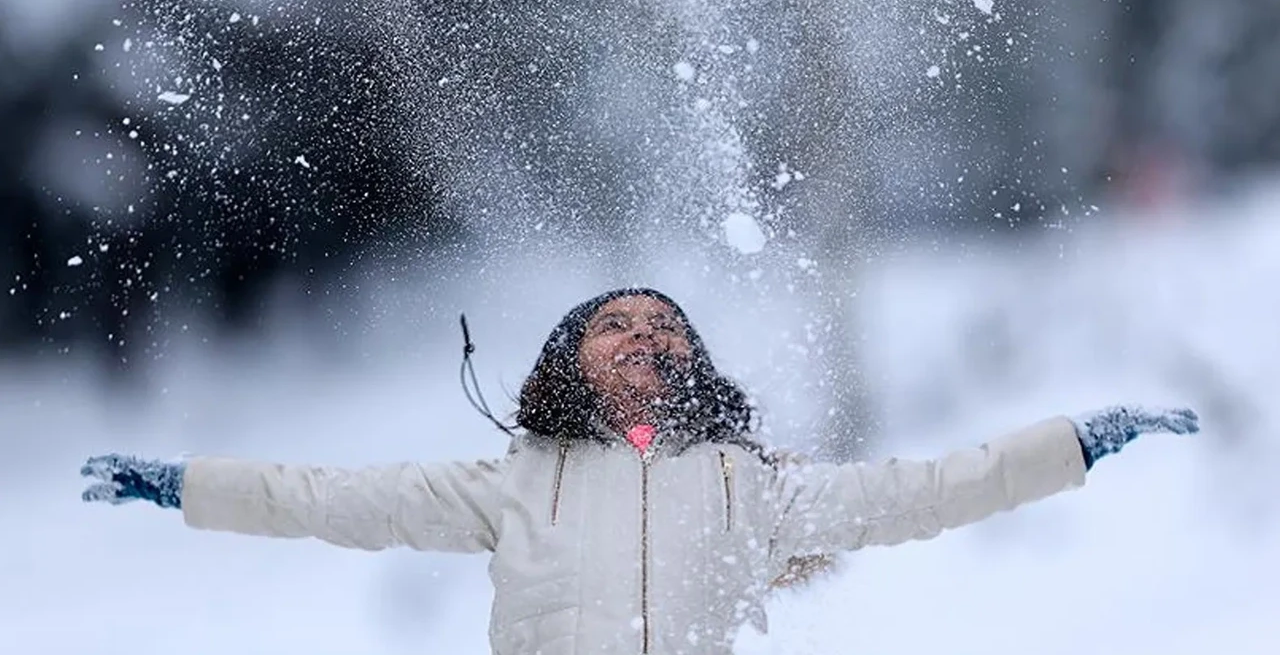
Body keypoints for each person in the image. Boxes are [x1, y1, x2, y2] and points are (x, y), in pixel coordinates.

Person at [81, 287, 1199, 655]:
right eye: (614, 323)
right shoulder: (511, 482)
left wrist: (1074, 443)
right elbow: (325, 499)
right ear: (567, 360)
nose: (643, 337)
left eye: (665, 326)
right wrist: (185, 484)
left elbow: (926, 489)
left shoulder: (747, 486)